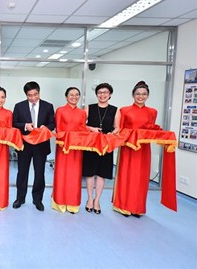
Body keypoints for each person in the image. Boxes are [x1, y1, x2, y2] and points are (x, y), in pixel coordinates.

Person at [112, 81, 158, 218]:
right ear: (133, 95)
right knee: (126, 176)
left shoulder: (152, 112)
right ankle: (123, 206)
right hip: (127, 148)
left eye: (144, 94)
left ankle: (137, 208)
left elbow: (150, 129)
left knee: (141, 178)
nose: (140, 96)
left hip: (143, 149)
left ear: (148, 96)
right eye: (138, 94)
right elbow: (119, 129)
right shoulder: (124, 110)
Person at [12, 81, 55, 211]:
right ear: (26, 95)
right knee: (22, 172)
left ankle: (38, 200)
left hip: (41, 145)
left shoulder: (48, 106)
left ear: (39, 92)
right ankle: (20, 198)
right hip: (24, 145)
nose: (33, 98)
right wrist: (25, 125)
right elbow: (14, 123)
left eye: (35, 94)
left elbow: (53, 123)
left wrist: (45, 127)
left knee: (39, 173)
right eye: (30, 95)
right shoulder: (19, 106)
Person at [82, 83, 118, 214]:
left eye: (105, 92)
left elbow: (117, 127)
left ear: (110, 95)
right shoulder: (89, 108)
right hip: (91, 144)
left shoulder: (115, 110)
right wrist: (91, 129)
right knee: (90, 173)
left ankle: (97, 200)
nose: (102, 95)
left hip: (106, 145)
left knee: (102, 173)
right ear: (96, 94)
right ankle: (90, 199)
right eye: (100, 92)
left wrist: (112, 133)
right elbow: (81, 124)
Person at [52, 87, 87, 214]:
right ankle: (59, 202)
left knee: (75, 175)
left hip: (77, 149)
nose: (74, 97)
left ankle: (73, 204)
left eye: (77, 95)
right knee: (61, 174)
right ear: (66, 97)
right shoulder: (60, 110)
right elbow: (59, 130)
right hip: (63, 148)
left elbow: (83, 129)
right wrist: (69, 138)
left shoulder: (82, 113)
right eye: (71, 95)